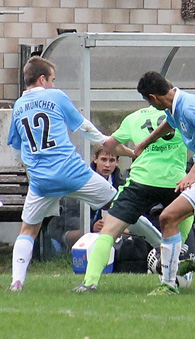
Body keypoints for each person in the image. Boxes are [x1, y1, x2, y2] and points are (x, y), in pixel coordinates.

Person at [75, 71, 195, 296]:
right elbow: (169, 124)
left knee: (162, 219)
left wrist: (193, 173)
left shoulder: (186, 107)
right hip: (191, 176)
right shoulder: (176, 105)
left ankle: (167, 283)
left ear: (152, 98)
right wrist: (144, 143)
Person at [6, 56, 134, 291]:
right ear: (43, 79)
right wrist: (108, 142)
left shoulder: (18, 106)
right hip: (72, 172)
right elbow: (83, 127)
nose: (54, 84)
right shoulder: (55, 96)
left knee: (28, 229)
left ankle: (16, 282)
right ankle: (161, 244)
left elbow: (16, 145)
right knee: (123, 206)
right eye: (52, 79)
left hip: (41, 181)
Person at [72, 104, 195, 292]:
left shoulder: (134, 117)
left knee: (109, 231)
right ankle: (175, 251)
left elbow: (110, 145)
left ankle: (89, 283)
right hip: (175, 181)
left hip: (141, 179)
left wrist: (131, 153)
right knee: (188, 213)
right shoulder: (181, 114)